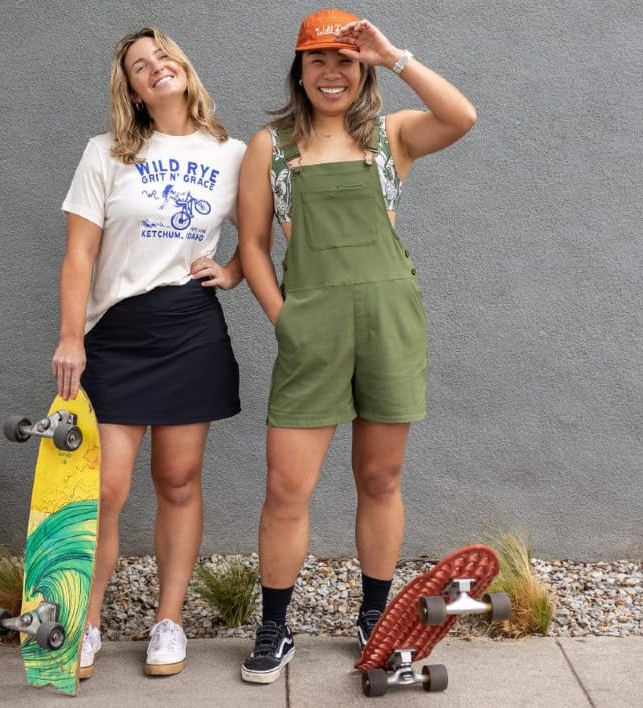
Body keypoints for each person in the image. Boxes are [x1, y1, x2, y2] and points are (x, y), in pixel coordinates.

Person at [237, 8, 477, 683]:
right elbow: (252, 246)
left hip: (388, 321)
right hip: (311, 327)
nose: (332, 72)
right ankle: (275, 625)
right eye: (319, 60)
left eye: (345, 59)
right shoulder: (272, 146)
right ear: (300, 71)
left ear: (360, 67)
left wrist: (394, 55)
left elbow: (462, 116)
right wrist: (285, 318)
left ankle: (376, 616)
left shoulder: (390, 136)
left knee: (380, 479)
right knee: (287, 486)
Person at [52, 26, 245, 679]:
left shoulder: (233, 153)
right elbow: (79, 251)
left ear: (184, 68)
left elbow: (273, 229)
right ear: (132, 90)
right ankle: (86, 621)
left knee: (179, 482)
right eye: (141, 66)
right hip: (117, 334)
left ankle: (168, 622)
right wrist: (71, 335)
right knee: (104, 488)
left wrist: (237, 269)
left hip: (190, 327)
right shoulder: (106, 152)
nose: (156, 67)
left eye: (163, 56)